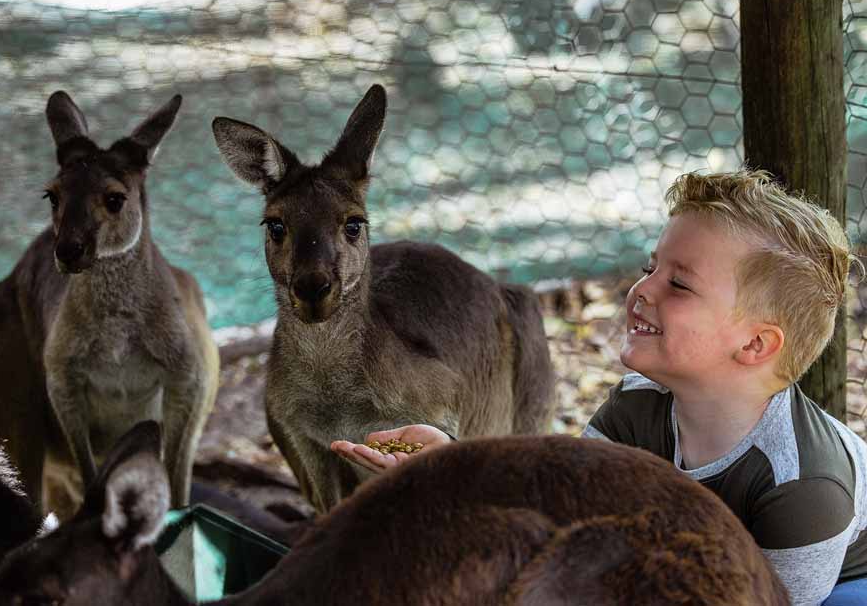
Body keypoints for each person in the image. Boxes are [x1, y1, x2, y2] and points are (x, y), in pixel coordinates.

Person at [331, 169, 867, 606]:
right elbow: (566, 504)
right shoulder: (638, 403)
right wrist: (453, 466)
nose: (641, 290)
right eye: (649, 267)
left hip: (839, 584)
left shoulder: (805, 487)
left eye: (678, 284)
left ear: (753, 346)